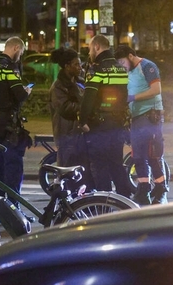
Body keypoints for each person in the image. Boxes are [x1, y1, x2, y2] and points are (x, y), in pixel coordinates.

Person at [79, 35, 132, 197]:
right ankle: (125, 200)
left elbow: (89, 98)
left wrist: (82, 120)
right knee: (116, 163)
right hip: (117, 124)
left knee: (100, 165)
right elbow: (124, 98)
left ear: (96, 47)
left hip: (99, 125)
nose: (89, 52)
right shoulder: (120, 69)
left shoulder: (97, 68)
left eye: (89, 48)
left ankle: (104, 203)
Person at [115, 44, 167, 205]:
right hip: (138, 117)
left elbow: (156, 89)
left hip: (150, 115)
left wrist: (133, 98)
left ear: (131, 56)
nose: (122, 66)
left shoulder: (147, 66)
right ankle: (145, 187)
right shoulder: (130, 71)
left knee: (152, 154)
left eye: (123, 62)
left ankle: (159, 188)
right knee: (138, 155)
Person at [0, 36, 31, 193]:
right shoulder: (9, 68)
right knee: (12, 165)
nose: (20, 56)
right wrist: (27, 91)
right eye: (21, 52)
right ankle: (12, 206)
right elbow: (20, 96)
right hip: (9, 121)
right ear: (16, 48)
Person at [49, 47, 94, 194]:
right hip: (67, 136)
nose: (80, 67)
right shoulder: (58, 86)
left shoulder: (80, 82)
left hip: (81, 135)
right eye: (76, 64)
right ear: (67, 66)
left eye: (80, 64)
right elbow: (65, 108)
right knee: (67, 176)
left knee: (85, 176)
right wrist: (85, 106)